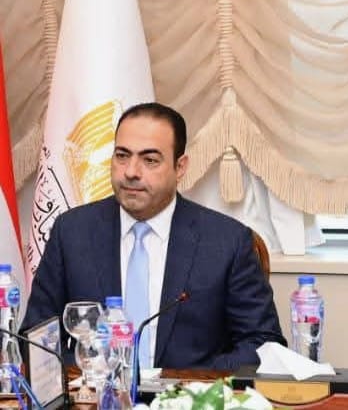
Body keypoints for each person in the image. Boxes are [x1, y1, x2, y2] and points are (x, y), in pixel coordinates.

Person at [22, 102, 286, 370]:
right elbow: (36, 338)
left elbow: (263, 343)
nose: (131, 172)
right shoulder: (72, 232)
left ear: (180, 167)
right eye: (122, 156)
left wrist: (190, 382)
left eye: (149, 160)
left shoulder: (227, 241)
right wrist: (88, 371)